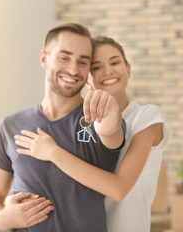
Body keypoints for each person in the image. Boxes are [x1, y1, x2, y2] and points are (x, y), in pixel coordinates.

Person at [15, 36, 171, 232]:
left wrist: (52, 153)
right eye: (96, 67)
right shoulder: (76, 122)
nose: (108, 70)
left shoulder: (146, 117)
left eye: (114, 62)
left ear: (128, 69)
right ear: (87, 81)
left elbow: (119, 189)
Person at [0, 24, 125, 232]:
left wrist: (110, 112)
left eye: (83, 62)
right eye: (64, 57)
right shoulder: (10, 126)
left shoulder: (99, 119)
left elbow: (111, 130)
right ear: (44, 59)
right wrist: (5, 218)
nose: (74, 69)